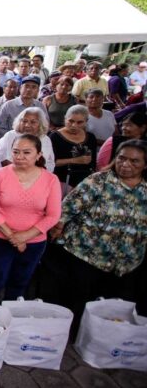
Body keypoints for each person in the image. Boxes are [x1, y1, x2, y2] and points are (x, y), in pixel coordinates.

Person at [47, 140, 147, 331]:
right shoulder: (99, 181)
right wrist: (57, 228)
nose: (125, 164)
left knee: (111, 308)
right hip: (86, 254)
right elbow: (68, 207)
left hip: (125, 261)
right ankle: (73, 335)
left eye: (134, 161)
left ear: (145, 165)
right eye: (121, 158)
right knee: (79, 299)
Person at [0, 134, 61, 309]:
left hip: (34, 242)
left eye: (26, 152)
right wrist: (13, 237)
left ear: (39, 154)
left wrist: (24, 237)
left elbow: (53, 215)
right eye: (16, 152)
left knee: (20, 282)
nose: (19, 157)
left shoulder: (51, 180)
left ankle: (11, 316)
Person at [0, 108, 55, 177]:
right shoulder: (11, 136)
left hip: (37, 177)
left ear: (41, 124)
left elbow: (48, 163)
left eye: (33, 122)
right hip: (5, 176)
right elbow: (6, 162)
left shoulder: (45, 139)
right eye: (24, 121)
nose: (27, 125)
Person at [50, 105, 97, 193]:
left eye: (80, 122)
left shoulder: (91, 137)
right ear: (65, 119)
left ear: (86, 121)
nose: (74, 125)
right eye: (70, 121)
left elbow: (93, 164)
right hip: (62, 182)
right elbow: (51, 162)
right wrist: (75, 160)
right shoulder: (54, 137)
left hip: (85, 183)